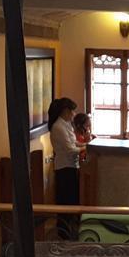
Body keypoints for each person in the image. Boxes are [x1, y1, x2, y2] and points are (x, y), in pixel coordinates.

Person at [49, 97, 82, 238]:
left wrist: (85, 144)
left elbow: (74, 143)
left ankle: (70, 230)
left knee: (72, 199)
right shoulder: (58, 127)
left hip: (71, 166)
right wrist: (86, 148)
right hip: (64, 168)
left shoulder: (66, 124)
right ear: (65, 111)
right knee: (65, 201)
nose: (74, 114)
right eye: (72, 111)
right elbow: (70, 149)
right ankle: (63, 233)